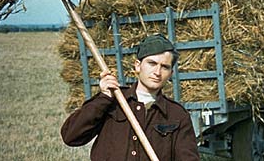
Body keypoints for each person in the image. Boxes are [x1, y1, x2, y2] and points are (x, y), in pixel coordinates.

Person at [61, 34, 200, 161]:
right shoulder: (112, 101)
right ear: (138, 66)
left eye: (164, 67)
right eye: (152, 63)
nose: (157, 72)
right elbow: (70, 137)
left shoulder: (177, 115)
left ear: (170, 73)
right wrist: (103, 98)